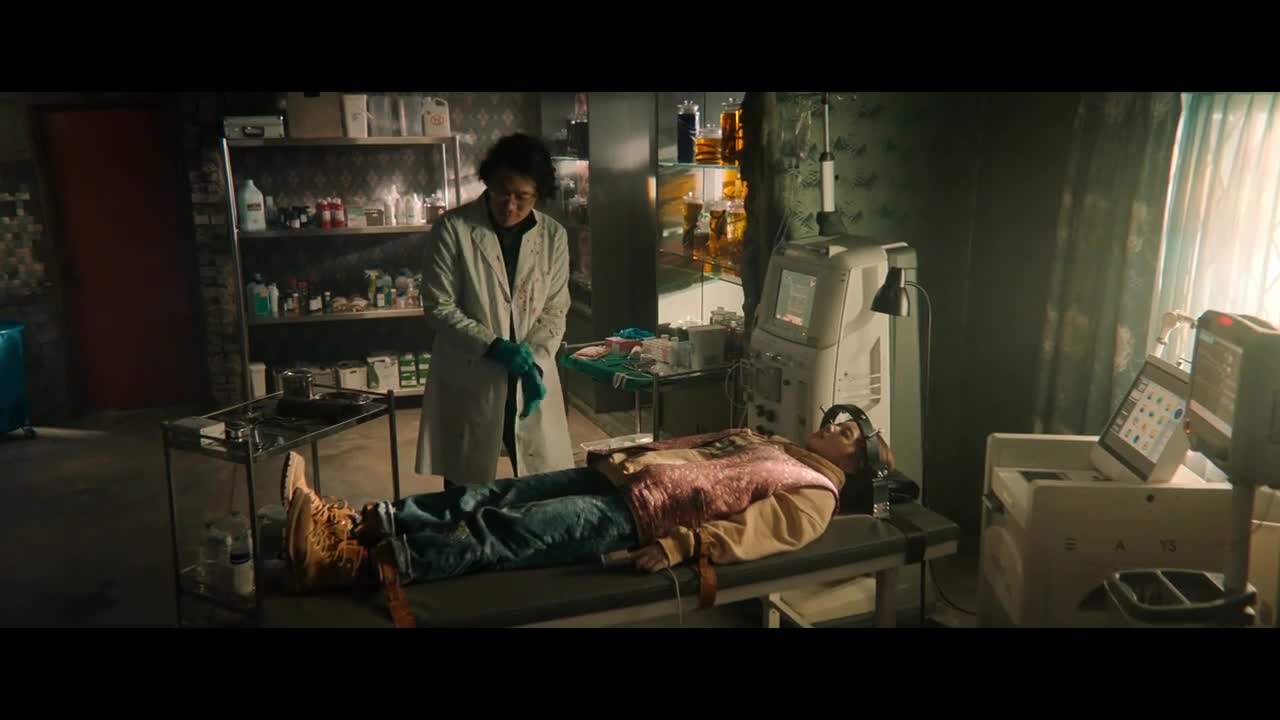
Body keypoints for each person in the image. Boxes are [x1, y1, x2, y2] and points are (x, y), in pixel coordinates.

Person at [282, 420, 896, 592]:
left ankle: (353, 566)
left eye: (848, 435)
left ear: (853, 464)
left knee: (505, 531)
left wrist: (683, 546)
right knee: (491, 494)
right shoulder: (779, 443)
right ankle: (362, 522)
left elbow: (756, 532)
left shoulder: (815, 495)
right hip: (621, 477)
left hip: (638, 517)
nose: (835, 426)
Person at [415, 133, 572, 488]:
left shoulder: (554, 236)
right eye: (502, 192)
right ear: (488, 182)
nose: (510, 205)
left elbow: (556, 307)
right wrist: (496, 347)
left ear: (538, 194)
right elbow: (439, 307)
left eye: (522, 196)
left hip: (529, 370)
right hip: (474, 367)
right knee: (465, 483)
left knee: (539, 478)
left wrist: (532, 359)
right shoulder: (453, 228)